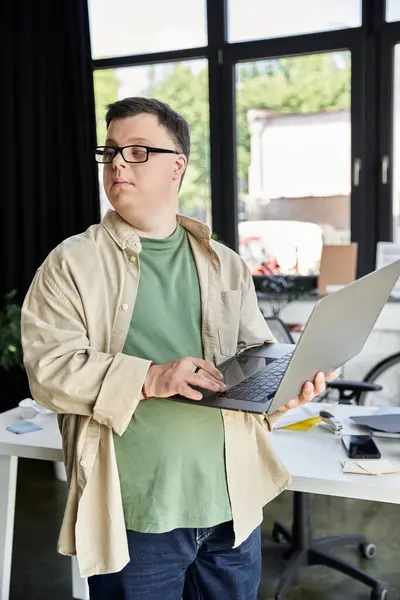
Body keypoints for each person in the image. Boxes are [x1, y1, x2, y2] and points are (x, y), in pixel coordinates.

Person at [21, 97, 336, 600]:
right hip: (139, 514)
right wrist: (149, 376)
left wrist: (284, 389)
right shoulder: (70, 264)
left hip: (234, 499)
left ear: (178, 165)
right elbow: (50, 370)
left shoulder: (225, 262)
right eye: (111, 152)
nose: (119, 163)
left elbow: (255, 349)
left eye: (138, 150)